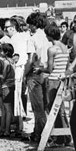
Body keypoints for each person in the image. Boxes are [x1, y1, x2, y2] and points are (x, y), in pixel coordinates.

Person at [35, 24, 71, 146]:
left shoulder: (52, 49)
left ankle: (58, 138)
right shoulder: (65, 47)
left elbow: (50, 69)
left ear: (49, 35)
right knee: (60, 109)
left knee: (52, 109)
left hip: (53, 80)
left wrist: (40, 70)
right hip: (62, 79)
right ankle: (66, 136)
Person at [23, 12, 51, 142]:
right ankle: (39, 132)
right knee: (45, 105)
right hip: (47, 72)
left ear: (34, 24)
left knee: (37, 107)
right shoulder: (47, 37)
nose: (29, 27)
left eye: (30, 24)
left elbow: (30, 60)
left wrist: (24, 74)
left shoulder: (32, 39)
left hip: (35, 73)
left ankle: (40, 134)